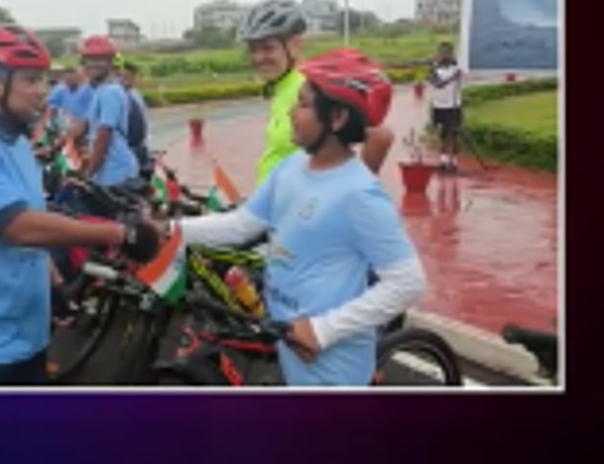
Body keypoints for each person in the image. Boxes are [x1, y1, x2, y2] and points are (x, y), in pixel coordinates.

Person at [0, 24, 161, 386]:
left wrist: (52, 285)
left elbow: (34, 213)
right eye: (31, 81)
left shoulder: (15, 144)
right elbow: (18, 227)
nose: (43, 94)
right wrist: (120, 234)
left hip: (24, 336)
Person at [174, 48, 427, 386]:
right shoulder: (291, 167)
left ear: (336, 118)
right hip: (289, 342)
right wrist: (171, 229)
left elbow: (407, 281)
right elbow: (243, 225)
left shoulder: (360, 194)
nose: (292, 112)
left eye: (304, 104)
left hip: (331, 366)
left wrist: (323, 330)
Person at [239, 0, 395, 187]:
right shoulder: (280, 87)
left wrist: (351, 192)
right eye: (253, 50)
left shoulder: (310, 87)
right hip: (272, 207)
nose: (258, 58)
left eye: (268, 48)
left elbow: (379, 136)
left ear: (295, 45)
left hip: (297, 210)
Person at [75, 36, 138, 187]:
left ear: (111, 62)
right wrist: (58, 144)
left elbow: (104, 136)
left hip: (116, 171)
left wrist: (88, 175)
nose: (93, 64)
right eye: (88, 60)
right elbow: (84, 125)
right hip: (106, 170)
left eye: (100, 59)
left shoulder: (110, 92)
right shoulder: (100, 90)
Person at [427, 41, 464, 172]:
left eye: (447, 52)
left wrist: (457, 75)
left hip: (454, 106)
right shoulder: (434, 69)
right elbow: (437, 84)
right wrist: (453, 78)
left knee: (454, 133)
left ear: (451, 53)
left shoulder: (458, 68)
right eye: (441, 52)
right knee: (443, 133)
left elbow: (464, 73)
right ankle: (442, 161)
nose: (444, 54)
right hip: (439, 105)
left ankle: (454, 162)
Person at [116, 56, 152, 176]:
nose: (128, 79)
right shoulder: (114, 96)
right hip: (124, 150)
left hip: (140, 148)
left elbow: (144, 120)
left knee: (144, 180)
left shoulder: (136, 95)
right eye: (124, 76)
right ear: (118, 77)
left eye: (131, 76)